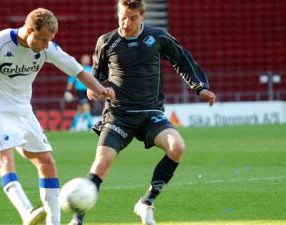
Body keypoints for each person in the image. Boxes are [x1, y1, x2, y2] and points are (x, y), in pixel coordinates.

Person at [0, 8, 114, 225]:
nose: (45, 45)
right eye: (43, 38)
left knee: (47, 162)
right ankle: (27, 213)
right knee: (5, 158)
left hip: (23, 111)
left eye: (49, 40)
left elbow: (77, 71)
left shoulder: (47, 48)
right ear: (28, 29)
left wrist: (101, 89)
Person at [69, 1, 216, 225]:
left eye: (132, 18)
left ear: (142, 16)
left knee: (177, 147)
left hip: (150, 113)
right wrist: (94, 90)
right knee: (102, 163)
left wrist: (200, 86)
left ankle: (146, 203)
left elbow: (182, 59)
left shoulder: (158, 37)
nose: (126, 23)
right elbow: (96, 75)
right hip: (119, 115)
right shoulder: (106, 41)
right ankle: (77, 219)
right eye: (122, 17)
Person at [64, 54, 94, 131]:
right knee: (86, 106)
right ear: (81, 59)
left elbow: (93, 81)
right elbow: (71, 81)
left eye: (88, 59)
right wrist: (68, 91)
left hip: (88, 90)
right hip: (79, 90)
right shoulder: (77, 69)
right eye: (85, 58)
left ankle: (72, 126)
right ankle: (91, 125)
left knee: (80, 109)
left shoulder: (90, 69)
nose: (86, 60)